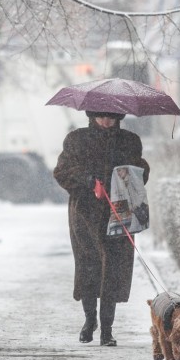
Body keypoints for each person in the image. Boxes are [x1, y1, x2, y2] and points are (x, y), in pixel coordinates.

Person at [53, 111, 150, 346]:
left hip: (118, 212)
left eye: (111, 117)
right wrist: (87, 180)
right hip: (85, 213)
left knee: (113, 270)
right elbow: (62, 171)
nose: (106, 122)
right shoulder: (77, 140)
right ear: (91, 116)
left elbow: (141, 172)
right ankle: (89, 320)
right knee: (88, 266)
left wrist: (125, 176)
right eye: (101, 117)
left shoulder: (129, 141)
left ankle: (107, 329)